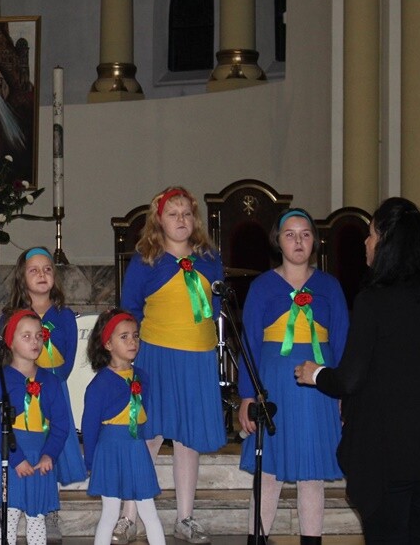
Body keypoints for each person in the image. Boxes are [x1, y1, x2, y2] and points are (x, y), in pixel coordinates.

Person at [295, 198, 420, 544]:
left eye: (371, 234)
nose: (366, 242)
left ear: (388, 242)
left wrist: (315, 373)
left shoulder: (374, 300)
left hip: (388, 453)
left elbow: (350, 378)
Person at [236, 209, 349, 545]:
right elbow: (249, 343)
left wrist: (343, 392)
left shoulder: (330, 286)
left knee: (311, 475)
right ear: (278, 241)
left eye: (305, 234)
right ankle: (257, 539)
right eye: (290, 234)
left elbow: (343, 341)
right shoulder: (262, 286)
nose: (298, 241)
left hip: (318, 390)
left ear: (314, 241)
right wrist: (247, 395)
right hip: (273, 388)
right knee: (268, 472)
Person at [120, 186, 224, 544]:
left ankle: (185, 518)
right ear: (159, 221)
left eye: (187, 214)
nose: (181, 219)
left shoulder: (209, 258)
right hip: (156, 357)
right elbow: (130, 309)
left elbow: (216, 306)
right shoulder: (146, 260)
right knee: (148, 436)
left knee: (188, 440)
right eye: (173, 214)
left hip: (197, 358)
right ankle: (129, 516)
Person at [0, 247, 83, 543]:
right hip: (18, 389)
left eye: (47, 269)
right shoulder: (9, 316)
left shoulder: (64, 316)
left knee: (50, 452)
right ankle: (1, 507)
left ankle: (48, 509)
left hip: (51, 386)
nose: (42, 274)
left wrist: (47, 381)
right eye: (34, 270)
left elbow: (68, 356)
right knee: (12, 441)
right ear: (22, 276)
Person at [82, 309, 166, 545]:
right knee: (110, 513)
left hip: (136, 449)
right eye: (124, 337)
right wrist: (91, 462)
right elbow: (89, 427)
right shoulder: (99, 384)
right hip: (110, 450)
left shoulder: (143, 376)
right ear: (108, 344)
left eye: (135, 336)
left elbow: (142, 415)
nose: (132, 342)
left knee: (149, 511)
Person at [0, 309, 69, 545]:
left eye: (39, 336)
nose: (35, 341)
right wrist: (16, 459)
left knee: (36, 516)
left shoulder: (50, 381)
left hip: (39, 457)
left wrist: (49, 454)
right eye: (26, 336)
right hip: (11, 456)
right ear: (10, 342)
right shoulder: (1, 380)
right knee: (9, 517)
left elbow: (61, 425)